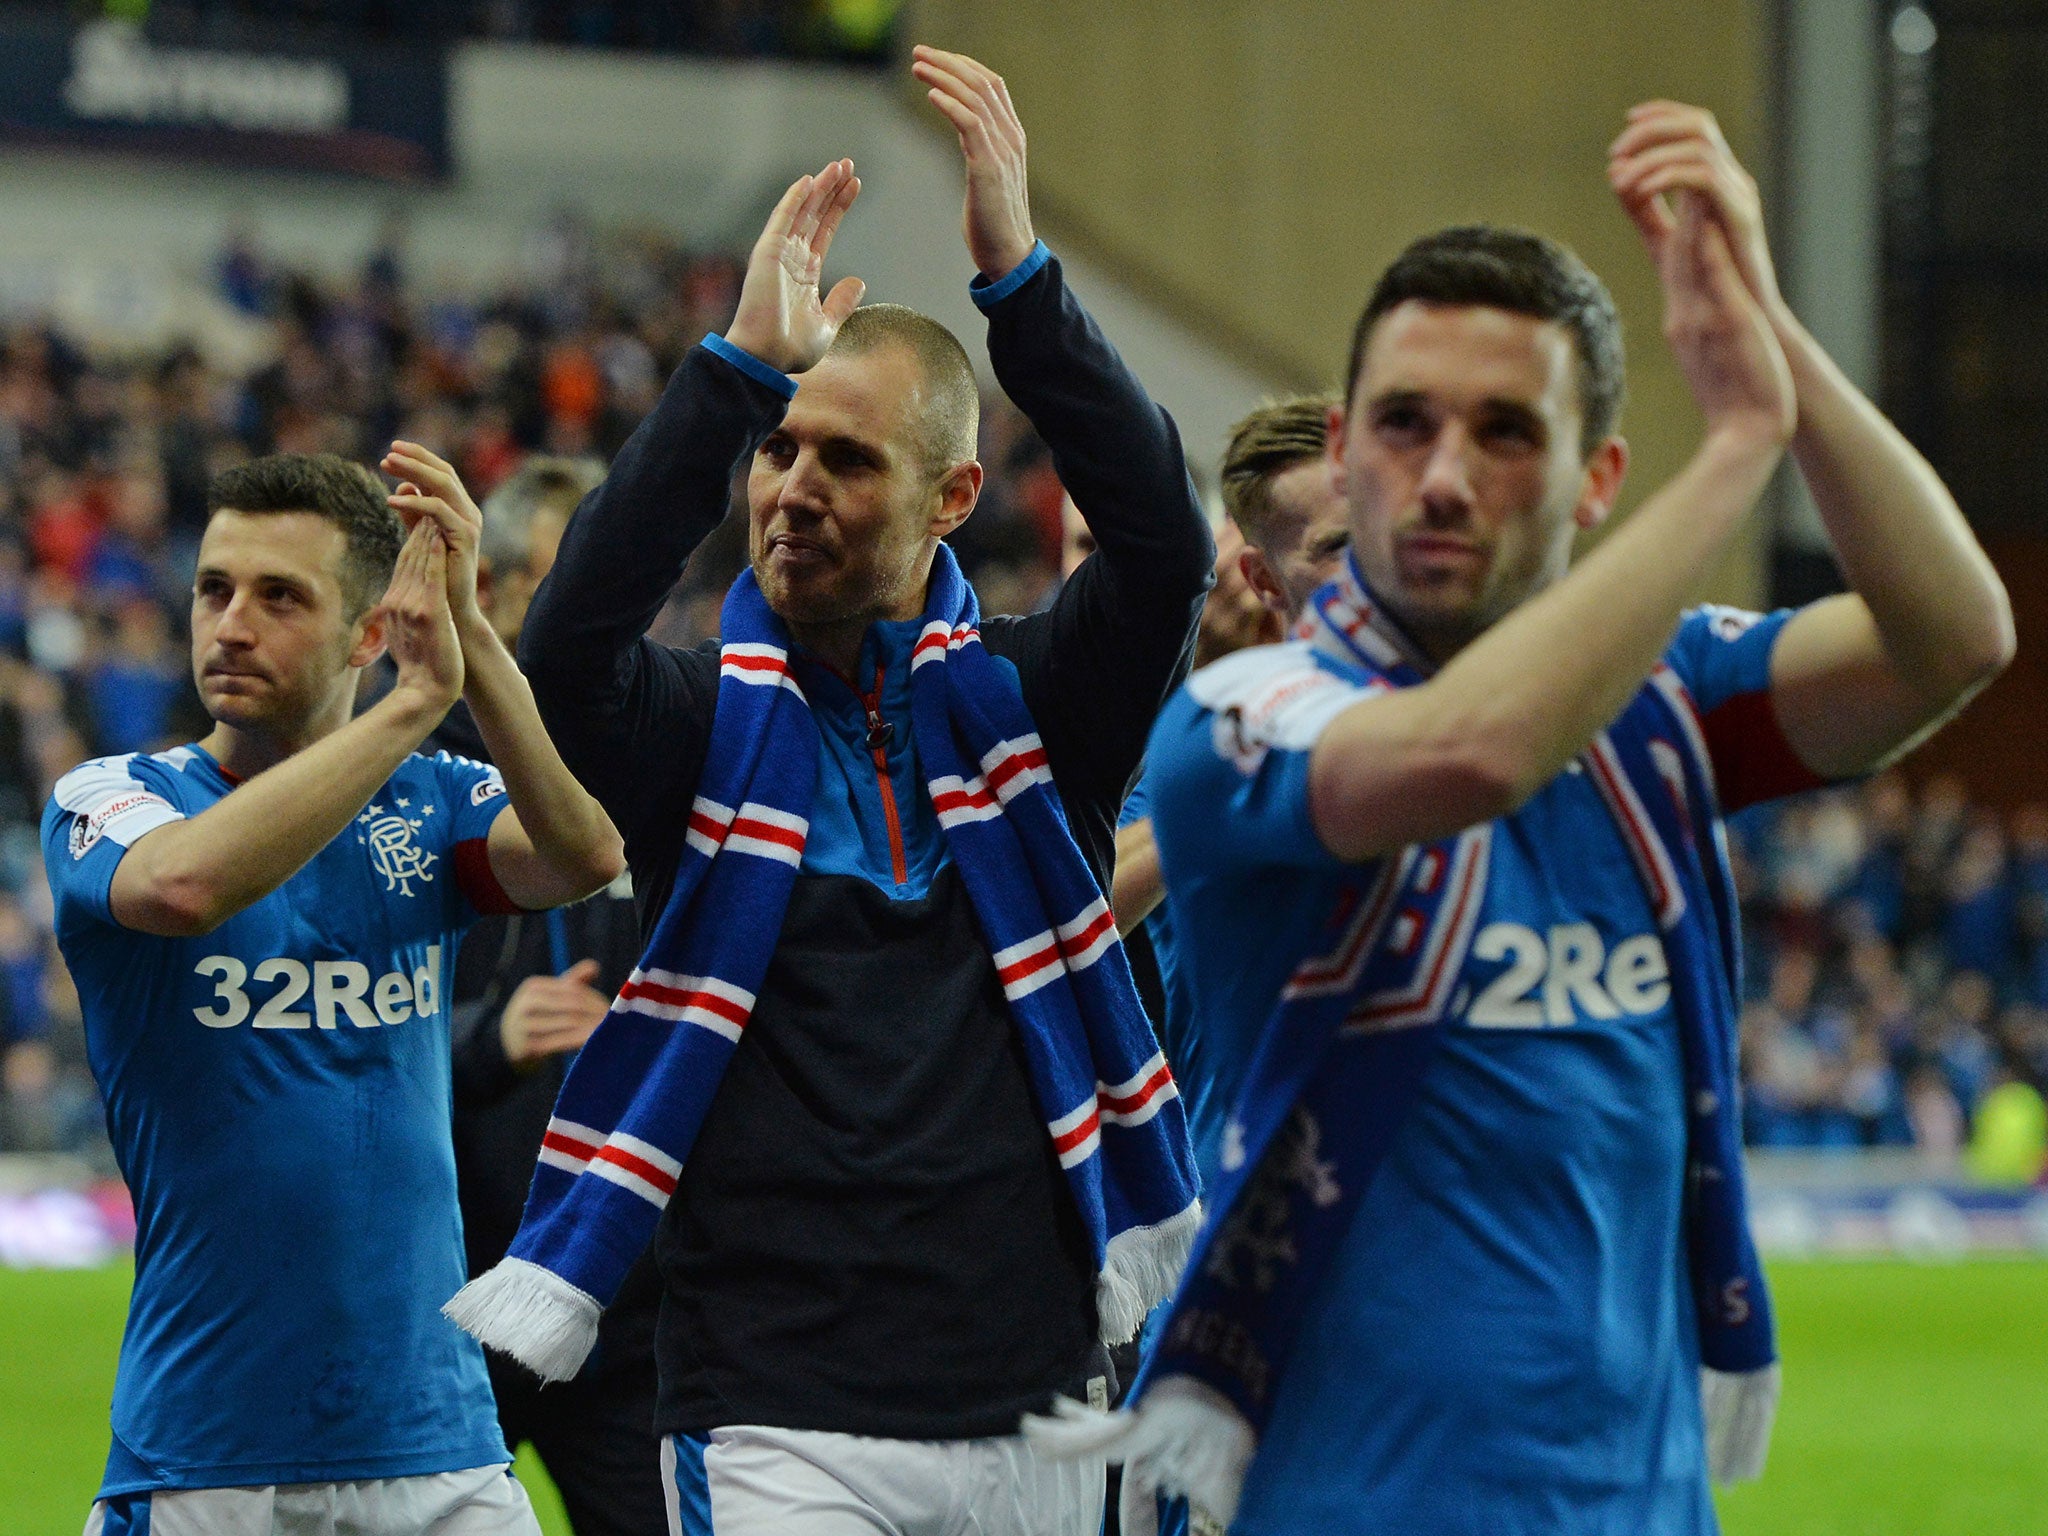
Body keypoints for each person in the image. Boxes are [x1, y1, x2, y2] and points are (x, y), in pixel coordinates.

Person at [1080, 103, 2013, 1534]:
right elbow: (1479, 754)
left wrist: (1773, 344)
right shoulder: (1238, 725)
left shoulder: (1669, 699)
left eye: (1507, 431)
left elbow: (1953, 639)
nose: (1445, 473)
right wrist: (1737, 452)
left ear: (1597, 480)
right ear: (1349, 443)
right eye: (1405, 424)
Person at [450, 45, 1208, 1536]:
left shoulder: (1036, 711)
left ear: (951, 499)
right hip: (771, 1412)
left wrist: (1021, 283)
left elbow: (1163, 545)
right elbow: (569, 641)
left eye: (845, 459)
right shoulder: (686, 722)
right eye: (777, 451)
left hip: (1038, 1406)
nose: (791, 484)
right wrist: (732, 372)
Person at [44, 450, 625, 1535]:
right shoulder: (116, 797)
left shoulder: (439, 803)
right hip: (203, 1457)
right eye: (214, 589)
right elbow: (186, 885)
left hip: (437, 1449)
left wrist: (473, 635)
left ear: (368, 633)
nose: (229, 625)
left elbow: (584, 853)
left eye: (279, 597)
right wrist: (411, 707)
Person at [436, 455, 669, 1536]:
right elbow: (336, 1027)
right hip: (453, 1296)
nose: (599, 616)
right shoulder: (412, 783)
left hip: (622, 1300)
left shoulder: (665, 762)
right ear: (490, 599)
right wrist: (486, 1042)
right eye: (568, 581)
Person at [1112, 397, 1349, 1168]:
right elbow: (1083, 910)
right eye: (1341, 546)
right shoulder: (1218, 735)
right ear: (1264, 579)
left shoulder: (1486, 711)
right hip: (1240, 1200)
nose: (1379, 565)